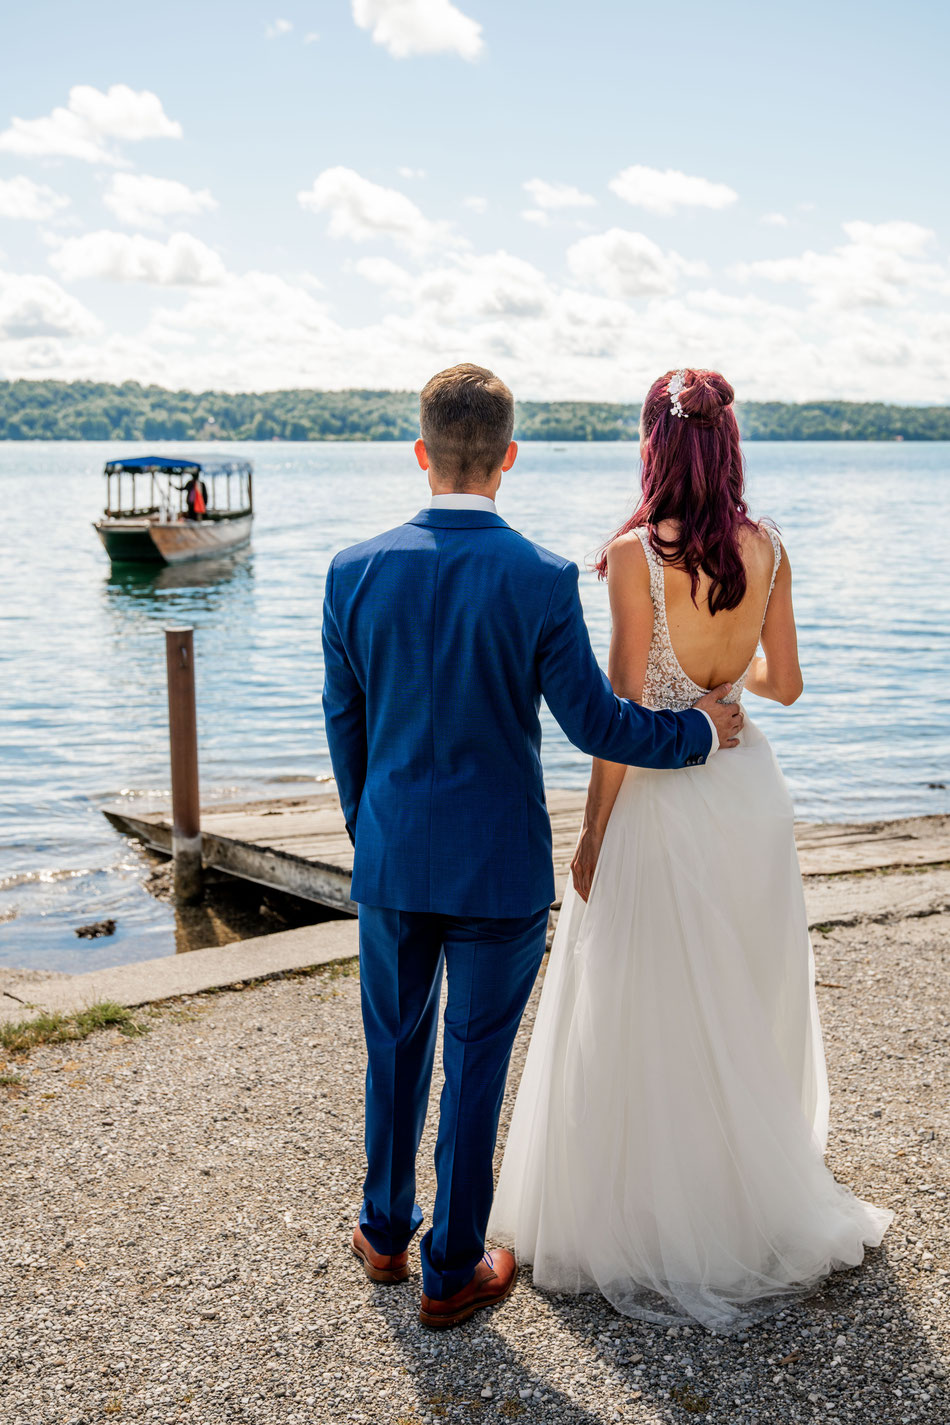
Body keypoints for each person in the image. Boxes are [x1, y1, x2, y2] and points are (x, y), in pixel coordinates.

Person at [321, 364, 743, 1331]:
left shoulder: (352, 569)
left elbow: (344, 725)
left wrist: (368, 829)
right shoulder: (543, 577)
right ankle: (451, 1268)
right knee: (474, 1062)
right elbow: (599, 722)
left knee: (393, 1046)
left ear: (423, 453)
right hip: (499, 868)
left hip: (391, 859)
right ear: (508, 458)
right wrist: (698, 733)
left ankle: (384, 1231)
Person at [488, 368, 892, 1333]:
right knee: (739, 989)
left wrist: (589, 835)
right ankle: (741, 1193)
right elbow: (783, 684)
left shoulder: (633, 557)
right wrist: (729, 674)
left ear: (654, 445)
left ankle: (648, 1211)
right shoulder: (771, 547)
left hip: (663, 799)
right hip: (748, 793)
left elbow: (621, 717)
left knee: (644, 993)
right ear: (730, 445)